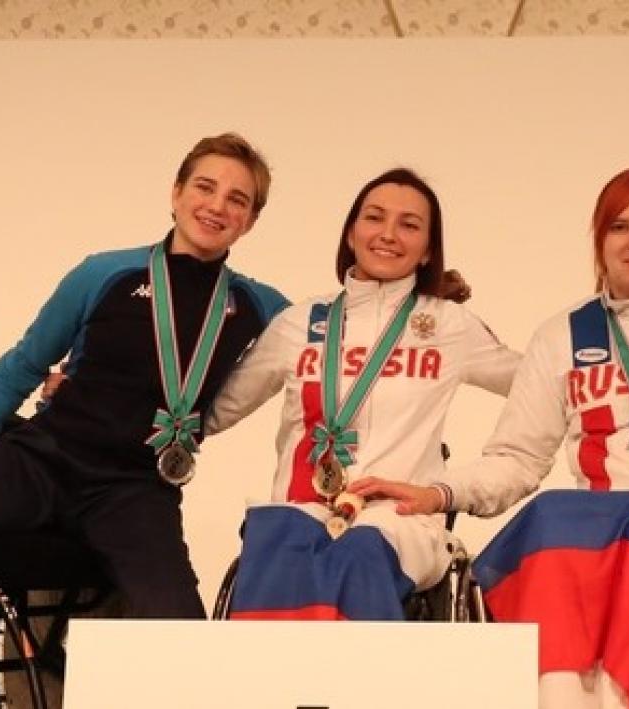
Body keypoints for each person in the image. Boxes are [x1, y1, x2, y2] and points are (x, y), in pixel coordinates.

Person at [353, 167, 629, 709]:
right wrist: (438, 493)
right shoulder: (562, 336)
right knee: (550, 516)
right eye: (619, 227)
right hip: (603, 540)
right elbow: (515, 459)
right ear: (598, 239)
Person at [0, 133, 289, 618]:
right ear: (176, 193)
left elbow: (335, 339)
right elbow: (22, 366)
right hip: (44, 458)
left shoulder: (261, 308)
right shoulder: (104, 273)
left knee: (178, 622)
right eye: (204, 187)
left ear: (250, 221)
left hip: (134, 488)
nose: (216, 206)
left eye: (237, 199)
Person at [207, 167, 519, 620]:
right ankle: (266, 688)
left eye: (409, 225)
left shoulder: (449, 326)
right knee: (274, 532)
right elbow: (213, 411)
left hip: (399, 518)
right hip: (305, 509)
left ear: (429, 248)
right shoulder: (298, 324)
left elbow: (544, 384)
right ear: (351, 233)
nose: (388, 234)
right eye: (374, 218)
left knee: (362, 548)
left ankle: (361, 688)